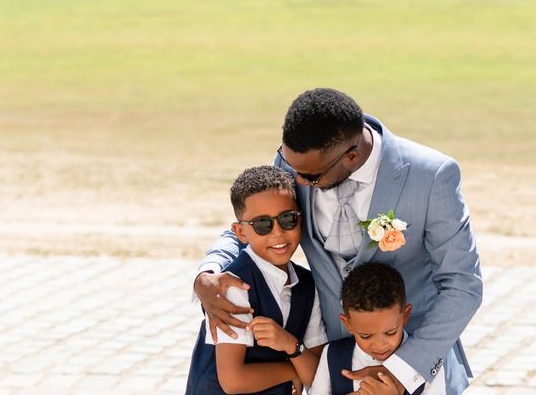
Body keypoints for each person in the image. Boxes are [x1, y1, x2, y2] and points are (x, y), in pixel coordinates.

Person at [194, 88, 483, 395]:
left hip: (416, 362)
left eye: (310, 178)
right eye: (292, 168)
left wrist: (401, 372)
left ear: (352, 155)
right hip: (333, 363)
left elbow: (463, 285)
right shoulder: (298, 163)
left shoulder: (431, 176)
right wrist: (207, 274)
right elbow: (254, 226)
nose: (298, 181)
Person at [185, 165, 328, 395]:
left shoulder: (308, 285)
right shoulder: (234, 285)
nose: (278, 232)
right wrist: (291, 370)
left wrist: (290, 345)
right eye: (263, 224)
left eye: (288, 219)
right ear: (240, 233)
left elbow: (317, 375)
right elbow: (233, 381)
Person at [310, 262, 444, 395]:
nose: (380, 345)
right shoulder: (333, 355)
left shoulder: (427, 361)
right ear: (348, 324)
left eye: (390, 332)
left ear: (405, 315)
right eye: (366, 336)